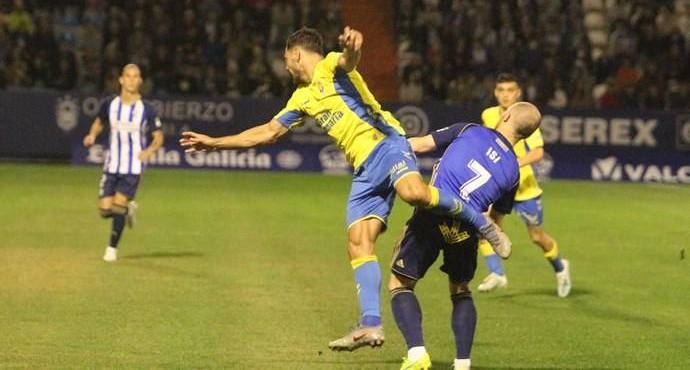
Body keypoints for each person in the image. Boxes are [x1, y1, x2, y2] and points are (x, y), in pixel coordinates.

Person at [180, 26, 507, 350]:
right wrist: (215, 143)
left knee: (414, 193)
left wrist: (353, 47)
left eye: (286, 60)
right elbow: (267, 132)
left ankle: (482, 223)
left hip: (387, 145)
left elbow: (348, 60)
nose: (286, 67)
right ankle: (370, 325)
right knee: (358, 242)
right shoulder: (302, 97)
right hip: (365, 172)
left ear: (296, 54)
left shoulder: (329, 65)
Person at [388, 102, 542, 370]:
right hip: (466, 230)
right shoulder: (514, 173)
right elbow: (494, 222)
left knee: (400, 283)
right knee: (460, 290)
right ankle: (462, 363)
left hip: (431, 214)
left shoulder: (468, 130)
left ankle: (416, 354)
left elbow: (418, 145)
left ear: (505, 115)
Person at [477, 73, 571, 297]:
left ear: (518, 93)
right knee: (485, 227)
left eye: (510, 90)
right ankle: (497, 274)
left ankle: (560, 267)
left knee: (537, 237)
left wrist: (512, 162)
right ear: (495, 92)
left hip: (525, 187)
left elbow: (538, 152)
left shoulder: (525, 116)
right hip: (500, 185)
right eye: (501, 90)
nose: (505, 95)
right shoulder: (488, 114)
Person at [83, 64, 164, 262]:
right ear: (121, 79)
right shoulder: (110, 104)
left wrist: (149, 151)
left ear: (140, 81)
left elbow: (158, 137)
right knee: (105, 210)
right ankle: (129, 209)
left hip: (133, 166)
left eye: (135, 76)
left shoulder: (147, 108)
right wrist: (92, 135)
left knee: (118, 206)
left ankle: (112, 249)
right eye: (128, 76)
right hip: (112, 164)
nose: (131, 80)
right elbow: (99, 122)